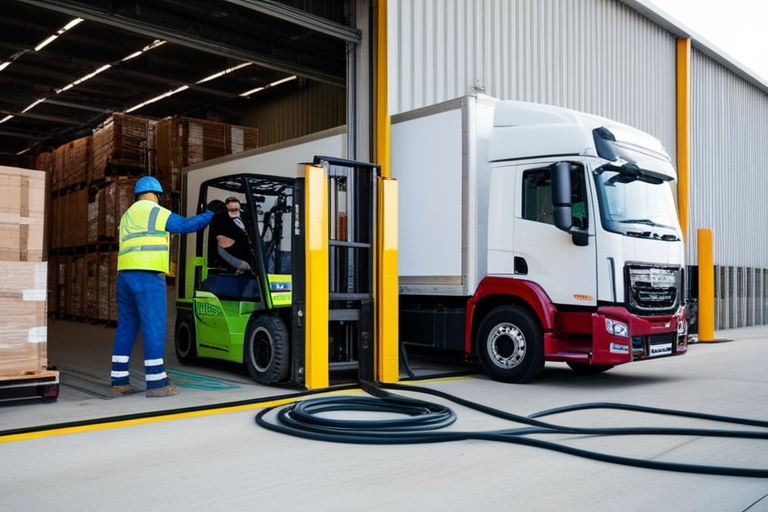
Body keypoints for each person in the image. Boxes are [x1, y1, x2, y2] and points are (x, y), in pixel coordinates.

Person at [111, 176, 214, 398]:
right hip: (147, 277)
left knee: (126, 327)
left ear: (137, 195)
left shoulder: (127, 215)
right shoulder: (154, 211)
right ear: (157, 195)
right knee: (154, 327)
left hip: (124, 276)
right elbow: (184, 225)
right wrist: (209, 215)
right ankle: (156, 383)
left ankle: (119, 381)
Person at [210, 196, 252, 274]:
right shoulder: (221, 220)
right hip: (236, 270)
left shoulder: (247, 218)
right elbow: (221, 241)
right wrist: (241, 265)